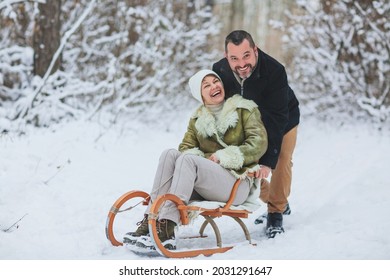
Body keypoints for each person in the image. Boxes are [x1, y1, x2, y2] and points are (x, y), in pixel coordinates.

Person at [123, 69, 268, 250]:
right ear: (200, 95)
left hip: (237, 183)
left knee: (188, 160)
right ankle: (151, 220)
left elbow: (258, 143)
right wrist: (208, 160)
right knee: (170, 154)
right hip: (208, 185)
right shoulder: (198, 119)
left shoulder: (244, 109)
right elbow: (185, 148)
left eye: (216, 81)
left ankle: (167, 226)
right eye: (206, 85)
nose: (214, 86)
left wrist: (224, 156)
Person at [212, 30, 300, 238]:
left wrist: (267, 161)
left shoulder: (275, 71)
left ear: (255, 50)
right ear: (226, 57)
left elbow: (277, 118)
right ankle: (278, 201)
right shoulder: (219, 70)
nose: (242, 64)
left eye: (246, 56)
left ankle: (275, 212)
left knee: (281, 158)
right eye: (234, 58)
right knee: (244, 165)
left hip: (283, 119)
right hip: (247, 123)